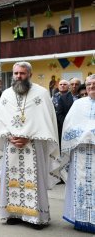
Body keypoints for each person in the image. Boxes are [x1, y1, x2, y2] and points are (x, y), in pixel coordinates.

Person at [0, 61, 60, 230]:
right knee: (11, 179)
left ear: (30, 74)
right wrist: (9, 136)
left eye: (22, 73)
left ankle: (36, 217)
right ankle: (13, 214)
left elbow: (47, 122)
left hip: (34, 146)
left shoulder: (41, 94)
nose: (18, 77)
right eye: (15, 73)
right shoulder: (6, 95)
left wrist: (29, 137)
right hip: (11, 145)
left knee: (34, 181)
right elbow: (0, 120)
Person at [59, 74, 95, 233]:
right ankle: (81, 219)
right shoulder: (78, 104)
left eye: (94, 85)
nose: (91, 88)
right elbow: (68, 128)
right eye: (89, 85)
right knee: (81, 186)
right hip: (80, 152)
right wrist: (84, 134)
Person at [56, 77, 81, 150]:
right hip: (67, 128)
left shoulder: (83, 96)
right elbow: (59, 114)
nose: (74, 86)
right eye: (72, 84)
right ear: (69, 85)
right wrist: (67, 124)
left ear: (80, 85)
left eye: (76, 84)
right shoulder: (63, 98)